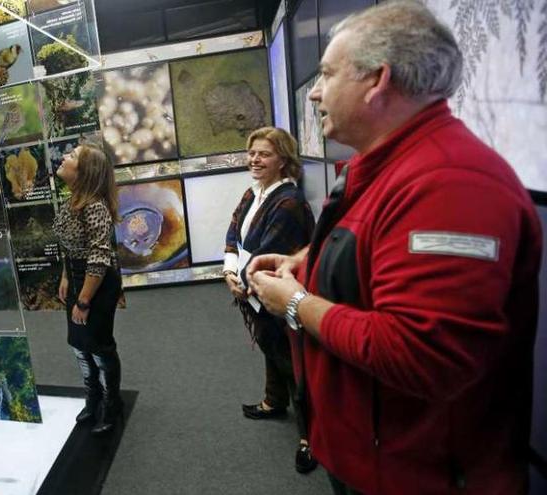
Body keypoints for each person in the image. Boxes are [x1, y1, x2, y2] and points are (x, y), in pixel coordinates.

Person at [246, 2, 542, 494]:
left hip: (417, 474)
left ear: (378, 80)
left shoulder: (450, 185)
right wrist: (308, 261)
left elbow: (420, 353)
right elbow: (379, 252)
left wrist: (295, 303)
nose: (315, 92)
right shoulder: (391, 168)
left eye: (326, 74)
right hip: (376, 454)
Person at [222, 127, 316, 473]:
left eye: (264, 154)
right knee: (270, 347)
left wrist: (241, 281)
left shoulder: (289, 202)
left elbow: (268, 251)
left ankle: (312, 436)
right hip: (253, 287)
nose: (255, 160)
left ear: (283, 160)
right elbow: (234, 231)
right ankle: (274, 401)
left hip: (277, 291)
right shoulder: (253, 193)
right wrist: (230, 270)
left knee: (293, 363)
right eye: (252, 153)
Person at [53, 144, 124, 435]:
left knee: (98, 344)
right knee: (79, 343)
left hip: (97, 283)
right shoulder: (72, 202)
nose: (63, 157)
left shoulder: (95, 206)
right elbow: (72, 248)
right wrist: (66, 277)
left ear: (84, 171)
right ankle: (92, 398)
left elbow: (98, 258)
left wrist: (83, 301)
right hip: (77, 277)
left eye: (71, 156)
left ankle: (111, 402)